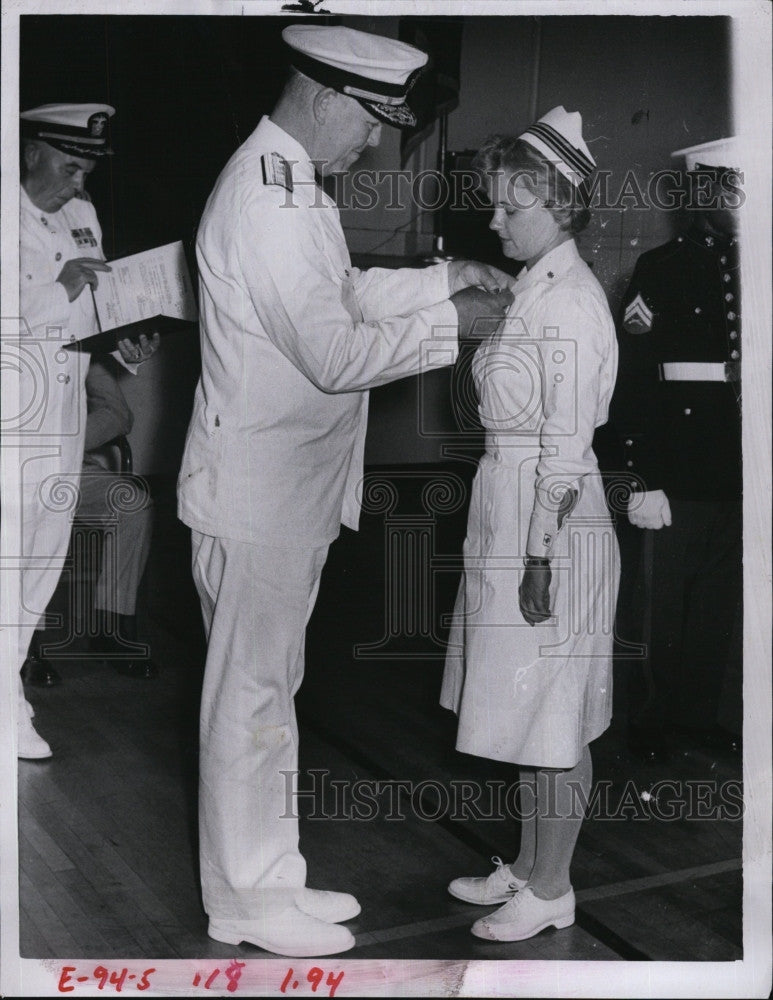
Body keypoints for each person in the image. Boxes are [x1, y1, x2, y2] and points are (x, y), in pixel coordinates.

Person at [177, 24, 513, 958]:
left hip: (283, 490)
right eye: (372, 121)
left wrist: (442, 276)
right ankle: (243, 900)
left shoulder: (290, 184)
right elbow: (334, 355)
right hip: (259, 495)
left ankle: (270, 877)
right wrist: (455, 323)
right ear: (327, 99)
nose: (374, 143)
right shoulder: (269, 199)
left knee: (268, 695)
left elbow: (341, 295)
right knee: (246, 703)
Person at [440, 107, 620, 942]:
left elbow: (563, 449)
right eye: (495, 203)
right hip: (506, 504)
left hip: (550, 524)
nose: (494, 217)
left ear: (559, 205)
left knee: (554, 715)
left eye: (511, 206)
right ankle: (523, 864)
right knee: (524, 706)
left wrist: (539, 557)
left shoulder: (573, 303)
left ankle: (553, 888)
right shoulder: (531, 290)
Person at [16, 103, 159, 760]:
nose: (79, 184)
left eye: (88, 171)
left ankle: (7, 695)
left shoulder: (81, 217)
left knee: (43, 563)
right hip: (10, 422)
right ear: (31, 153)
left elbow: (96, 305)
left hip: (65, 419)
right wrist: (60, 291)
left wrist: (126, 339)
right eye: (70, 166)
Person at [610, 138, 742, 761]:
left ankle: (699, 714)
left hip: (736, 461)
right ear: (703, 195)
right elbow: (634, 378)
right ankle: (653, 718)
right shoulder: (659, 270)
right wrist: (642, 475)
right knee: (661, 601)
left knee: (718, 599)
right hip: (678, 460)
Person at [20, 357, 158, 687]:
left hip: (71, 467)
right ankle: (25, 645)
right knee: (32, 512)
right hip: (14, 473)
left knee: (134, 506)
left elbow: (118, 413)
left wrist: (64, 444)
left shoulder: (79, 338)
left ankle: (112, 628)